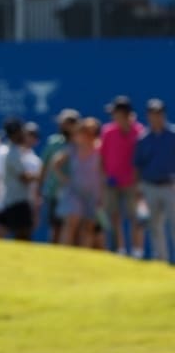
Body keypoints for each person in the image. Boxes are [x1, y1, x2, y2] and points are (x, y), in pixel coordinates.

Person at [101, 95, 146, 257]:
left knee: (136, 219)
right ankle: (118, 250)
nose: (113, 116)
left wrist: (139, 182)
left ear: (125, 114)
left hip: (133, 183)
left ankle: (137, 252)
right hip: (112, 182)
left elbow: (143, 160)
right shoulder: (108, 132)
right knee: (114, 217)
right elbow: (102, 157)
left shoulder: (140, 133)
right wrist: (105, 177)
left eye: (116, 113)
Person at [134, 98, 175, 262]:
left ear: (163, 114)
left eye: (158, 113)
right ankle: (162, 261)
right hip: (150, 186)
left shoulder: (173, 135)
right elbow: (138, 165)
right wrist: (139, 189)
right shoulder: (144, 138)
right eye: (152, 114)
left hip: (171, 186)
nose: (155, 117)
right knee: (155, 227)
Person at [54, 118, 105, 248]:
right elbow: (56, 164)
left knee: (88, 226)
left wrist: (103, 194)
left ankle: (83, 257)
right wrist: (65, 179)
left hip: (94, 193)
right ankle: (64, 254)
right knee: (71, 221)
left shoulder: (100, 149)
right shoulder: (73, 149)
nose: (79, 135)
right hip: (74, 191)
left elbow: (104, 173)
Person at [0, 118, 42, 241]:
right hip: (17, 201)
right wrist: (44, 173)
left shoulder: (15, 151)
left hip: (13, 200)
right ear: (16, 133)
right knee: (23, 235)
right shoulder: (13, 152)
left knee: (1, 231)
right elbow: (24, 177)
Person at [40, 109, 81, 243]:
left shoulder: (80, 143)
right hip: (54, 191)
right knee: (56, 227)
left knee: (74, 228)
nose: (62, 127)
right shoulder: (54, 142)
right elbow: (45, 167)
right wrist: (38, 189)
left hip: (76, 193)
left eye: (65, 124)